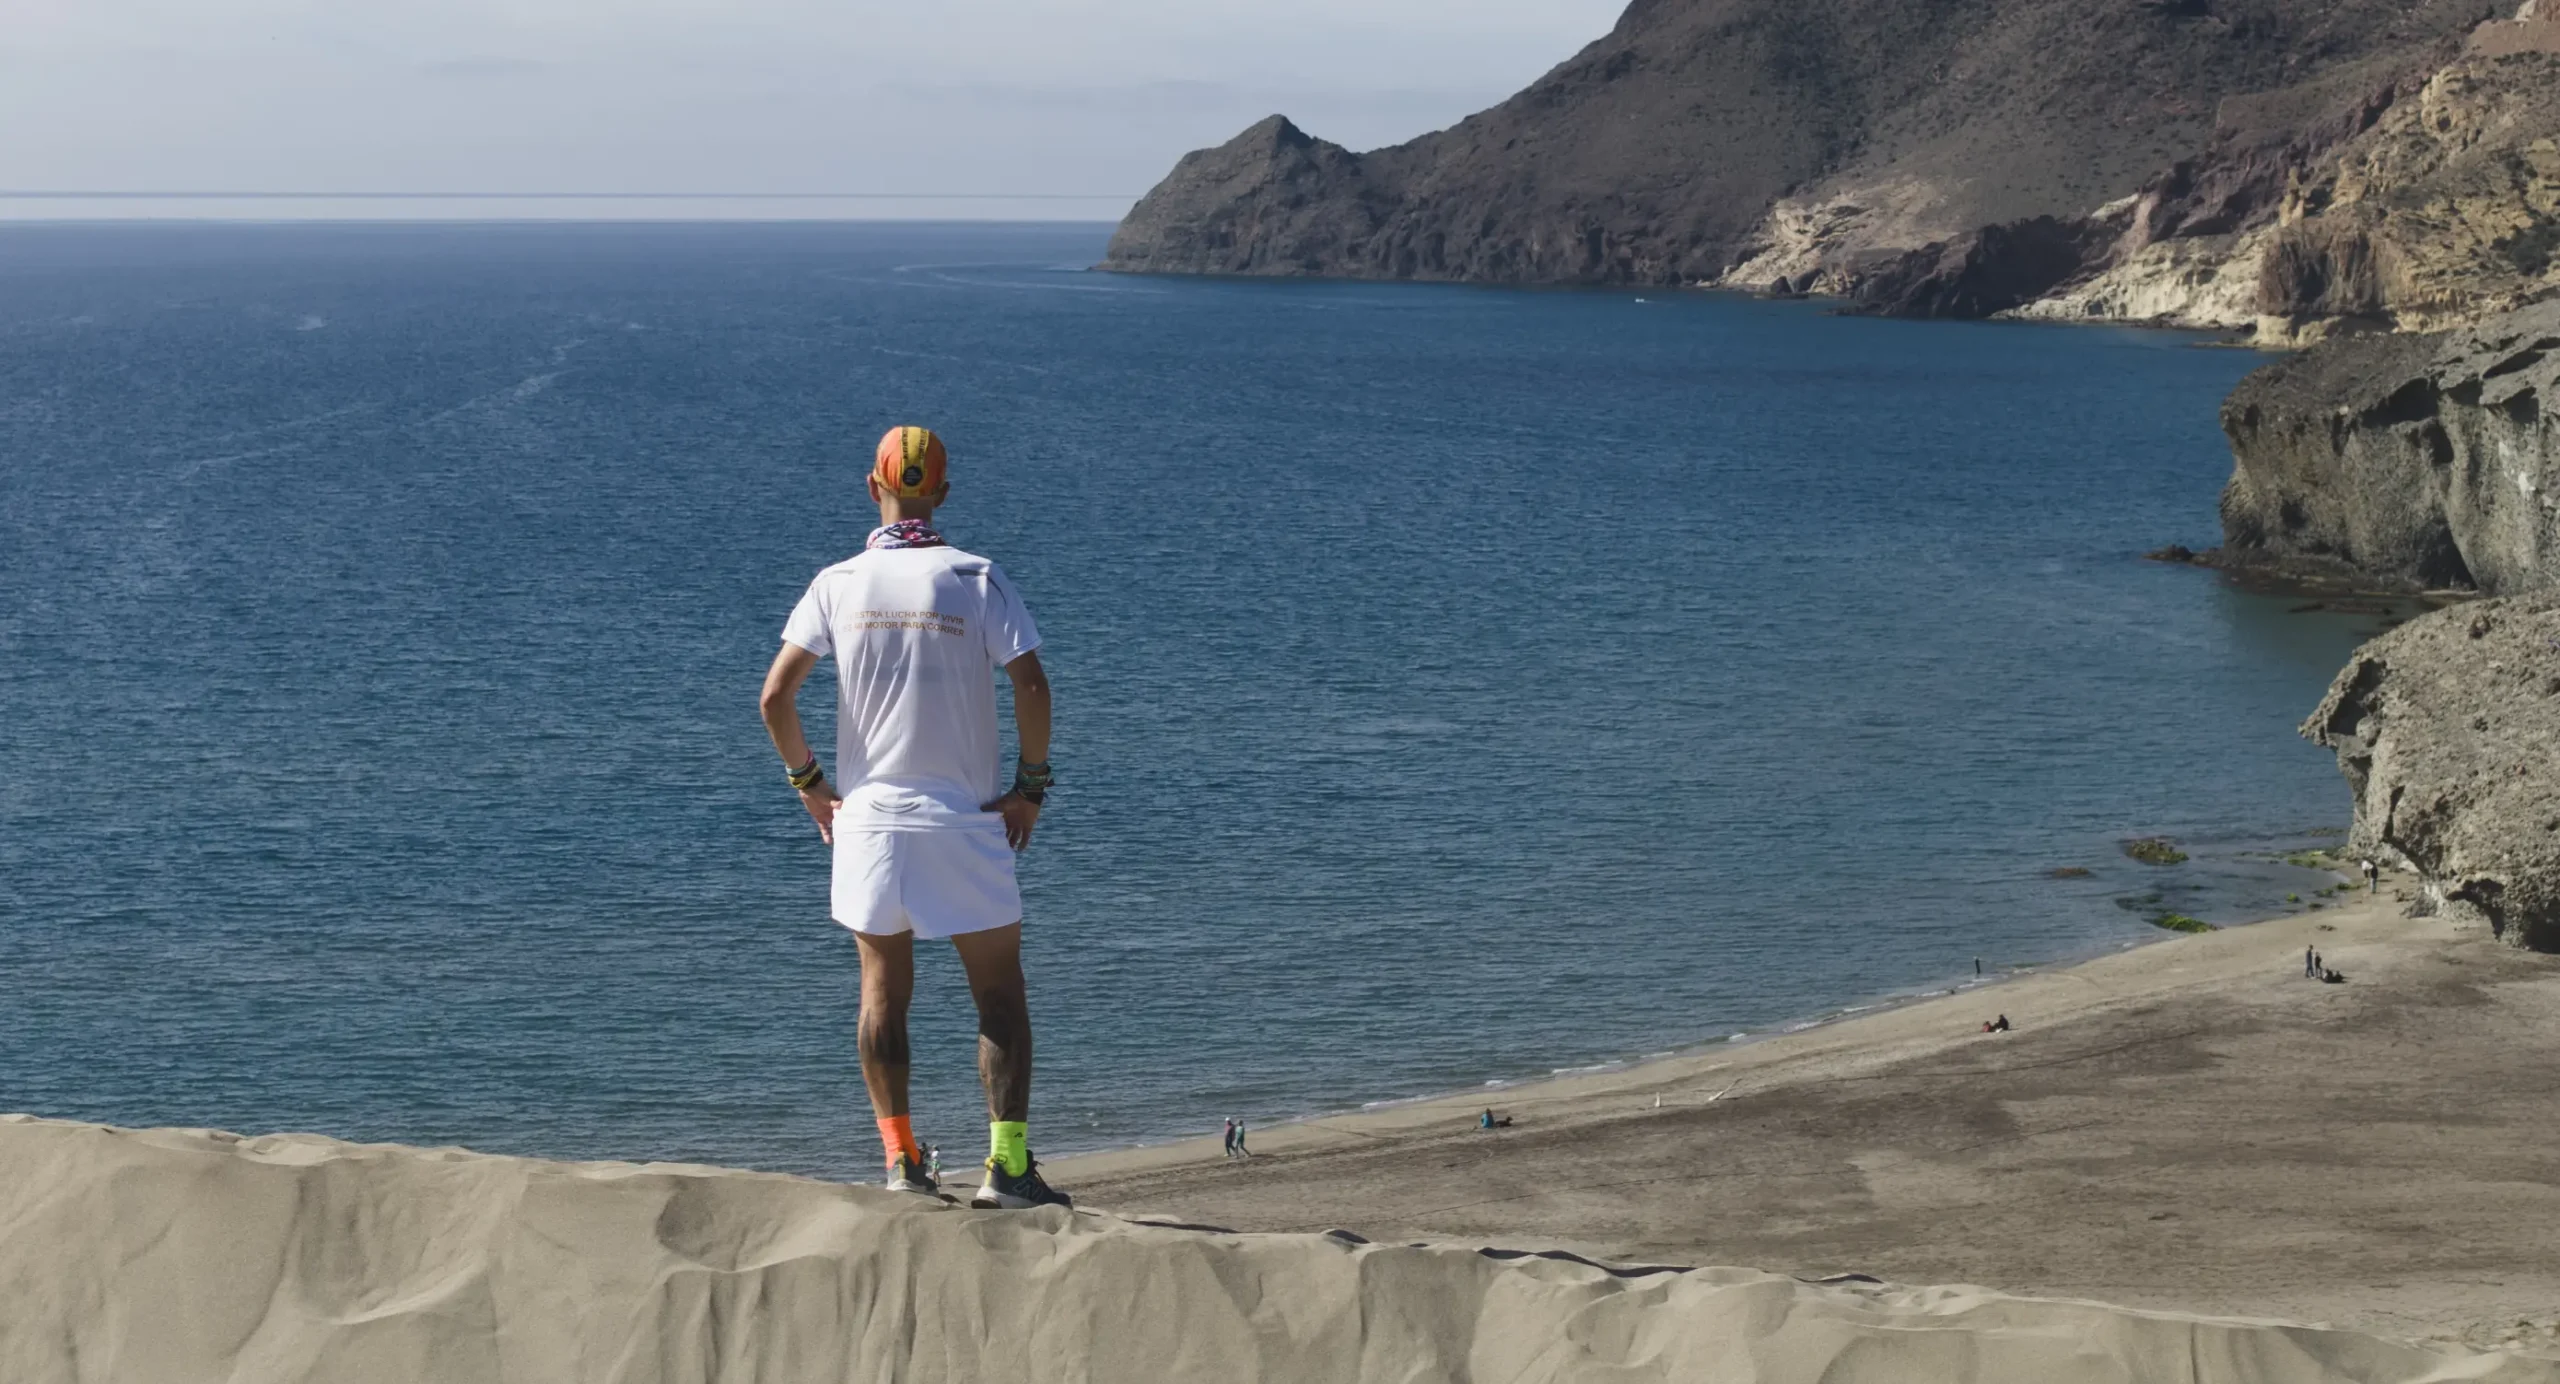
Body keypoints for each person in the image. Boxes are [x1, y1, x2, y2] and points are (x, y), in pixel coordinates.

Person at [760, 424, 1067, 1210]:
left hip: (866, 823)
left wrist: (810, 785)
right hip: (962, 820)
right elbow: (1031, 687)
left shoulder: (837, 581)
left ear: (874, 487)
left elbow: (775, 698)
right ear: (945, 493)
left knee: (880, 995)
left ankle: (901, 1159)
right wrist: (1031, 784)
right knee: (999, 997)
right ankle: (1007, 1167)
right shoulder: (975, 576)